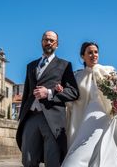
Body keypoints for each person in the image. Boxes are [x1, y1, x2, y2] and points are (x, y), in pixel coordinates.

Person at [61, 42, 117, 167]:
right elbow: (74, 102)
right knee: (80, 153)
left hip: (107, 115)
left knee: (109, 152)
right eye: (90, 52)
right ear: (83, 56)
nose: (94, 55)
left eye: (96, 52)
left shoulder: (109, 70)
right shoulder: (77, 77)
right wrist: (62, 93)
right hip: (86, 118)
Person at [16, 30, 79, 167]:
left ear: (57, 44)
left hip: (53, 119)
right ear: (41, 42)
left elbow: (73, 92)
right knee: (28, 159)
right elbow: (27, 93)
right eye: (46, 39)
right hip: (31, 117)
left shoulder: (65, 65)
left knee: (52, 160)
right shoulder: (31, 66)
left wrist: (49, 93)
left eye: (52, 40)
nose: (48, 42)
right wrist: (22, 117)